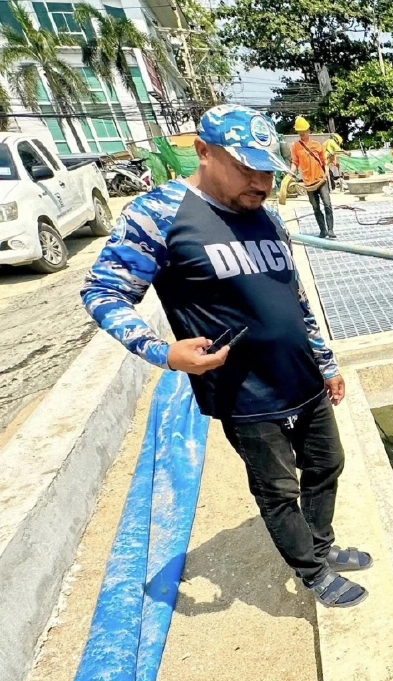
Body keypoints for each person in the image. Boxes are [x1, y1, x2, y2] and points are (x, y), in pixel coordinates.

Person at [80, 104, 371, 608]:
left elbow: (295, 300)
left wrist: (325, 362)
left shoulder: (269, 219)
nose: (260, 183)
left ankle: (321, 547)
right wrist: (162, 352)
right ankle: (312, 572)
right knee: (278, 488)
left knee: (328, 465)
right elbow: (102, 290)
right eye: (246, 168)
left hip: (303, 378)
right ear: (204, 152)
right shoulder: (160, 215)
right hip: (246, 393)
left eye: (267, 171)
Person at [290, 116, 336, 239]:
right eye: (299, 131)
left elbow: (324, 161)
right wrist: (290, 173)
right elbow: (295, 162)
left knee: (327, 204)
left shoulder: (317, 145)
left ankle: (330, 230)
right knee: (316, 208)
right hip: (309, 184)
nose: (301, 134)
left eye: (303, 131)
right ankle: (323, 231)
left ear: (308, 131)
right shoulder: (296, 146)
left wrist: (329, 164)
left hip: (321, 180)